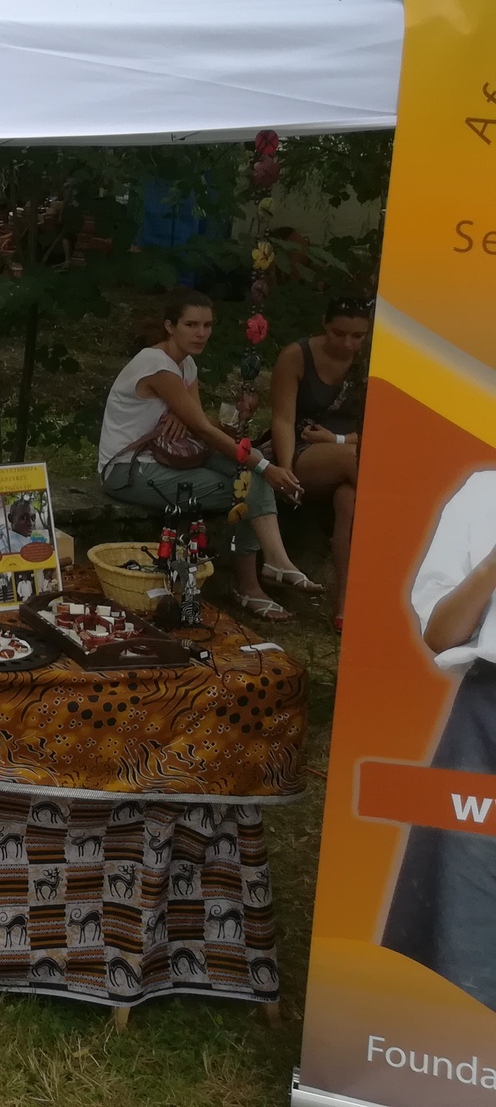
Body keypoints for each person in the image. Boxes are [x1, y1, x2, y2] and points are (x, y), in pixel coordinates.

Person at [97, 288, 311, 622]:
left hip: (168, 456)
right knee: (250, 483)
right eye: (191, 325)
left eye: (207, 325)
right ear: (170, 326)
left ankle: (270, 566)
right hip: (129, 470)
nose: (201, 333)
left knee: (250, 469)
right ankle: (258, 578)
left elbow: (198, 423)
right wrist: (266, 467)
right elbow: (203, 427)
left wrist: (186, 416)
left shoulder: (186, 365)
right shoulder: (156, 364)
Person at [381, 470, 496, 1006]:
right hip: (487, 723)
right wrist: (493, 564)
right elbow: (442, 634)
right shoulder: (484, 493)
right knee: (466, 906)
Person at [271, 295, 372, 628]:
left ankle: (345, 604)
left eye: (358, 336)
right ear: (325, 325)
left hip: (352, 448)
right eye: (339, 333)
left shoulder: (372, 360)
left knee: (350, 500)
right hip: (303, 448)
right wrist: (285, 469)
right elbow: (282, 419)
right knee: (361, 463)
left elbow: (381, 427)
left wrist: (337, 439)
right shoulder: (296, 356)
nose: (348, 343)